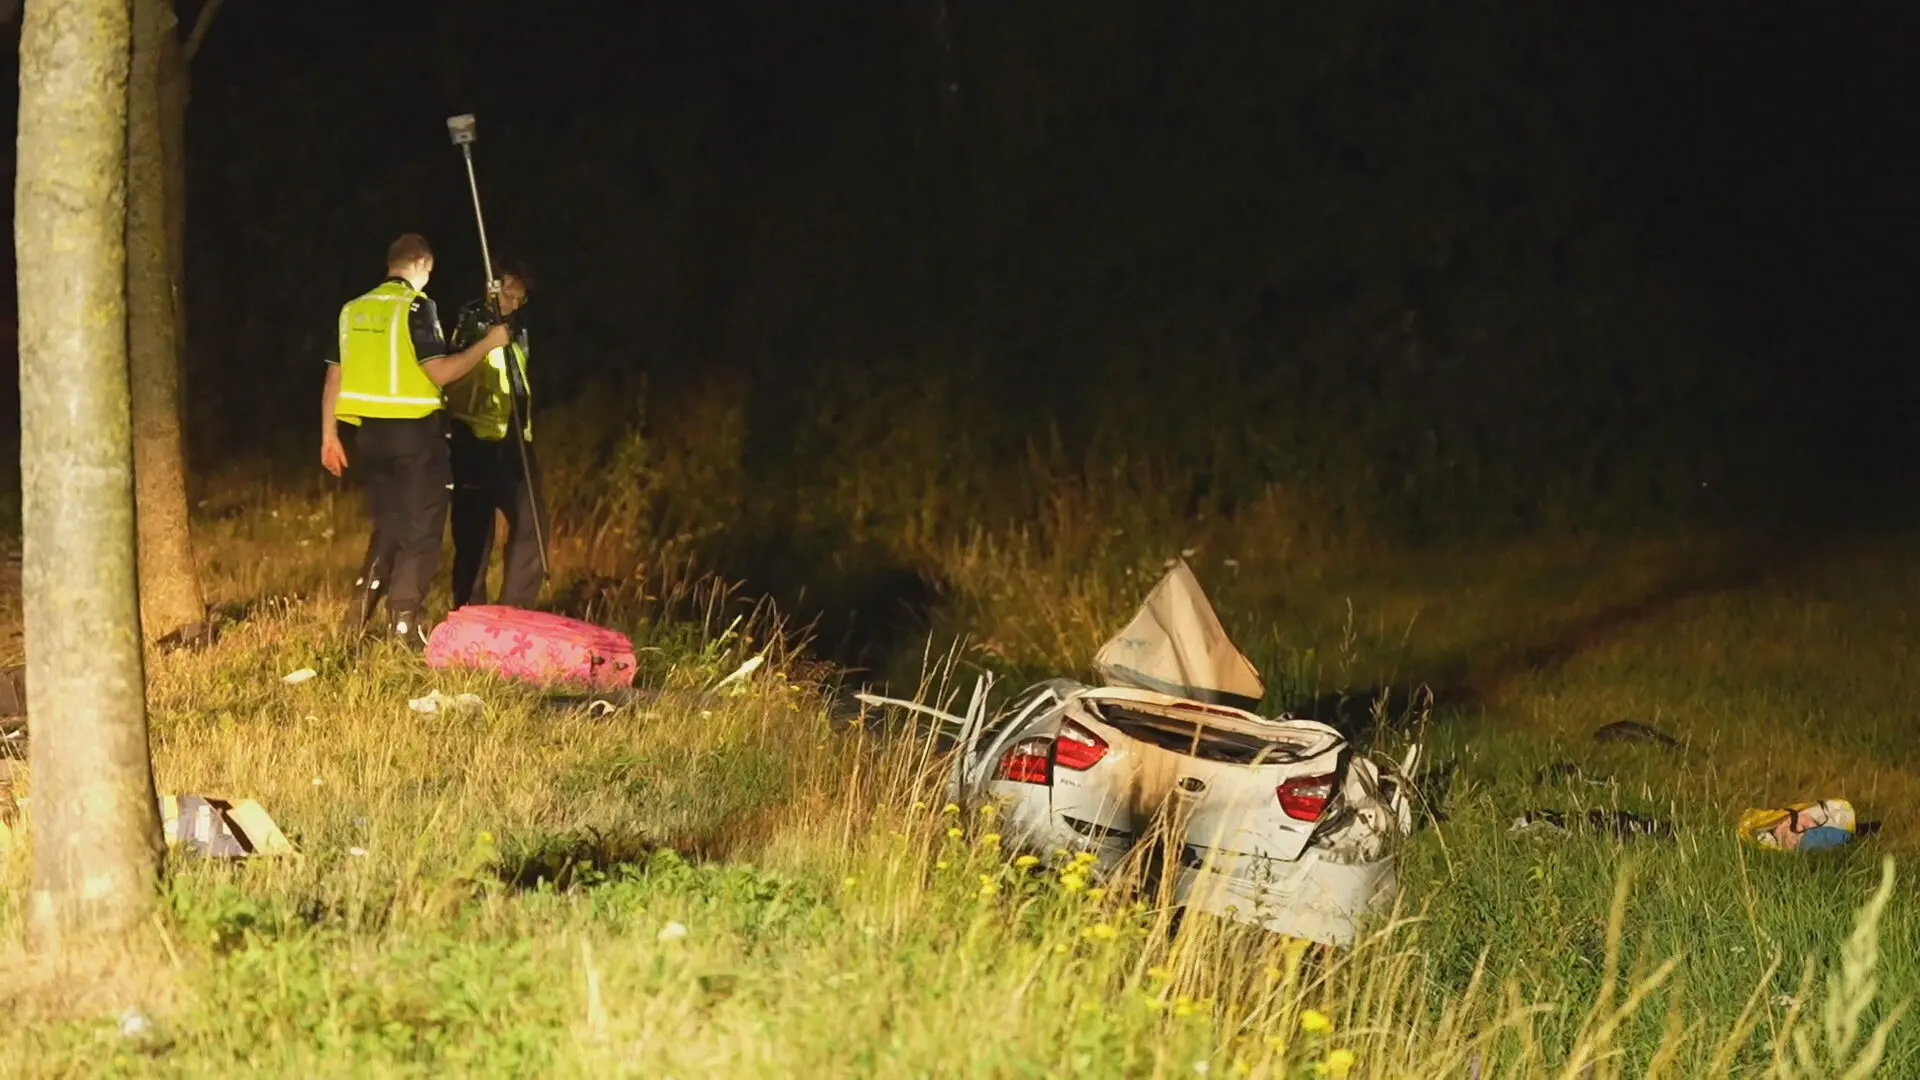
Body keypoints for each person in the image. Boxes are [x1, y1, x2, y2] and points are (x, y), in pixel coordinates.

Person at [321, 233, 510, 647]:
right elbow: (439, 372)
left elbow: (334, 374)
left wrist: (328, 436)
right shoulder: (417, 307)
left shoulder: (352, 309)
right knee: (422, 531)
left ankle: (359, 615)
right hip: (414, 436)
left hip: (369, 436)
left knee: (389, 526)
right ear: (422, 265)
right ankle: (405, 625)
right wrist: (489, 343)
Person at [445, 261, 548, 608]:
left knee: (532, 523)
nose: (516, 303)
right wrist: (489, 331)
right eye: (510, 293)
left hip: (515, 440)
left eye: (522, 297)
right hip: (474, 440)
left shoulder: (518, 327)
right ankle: (469, 611)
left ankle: (516, 608)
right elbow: (455, 363)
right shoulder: (473, 319)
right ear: (493, 286)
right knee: (475, 533)